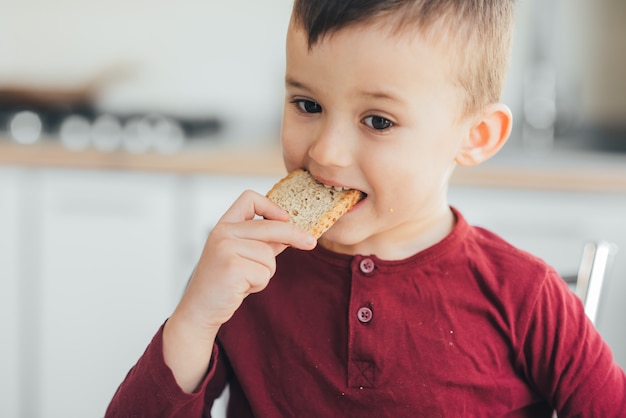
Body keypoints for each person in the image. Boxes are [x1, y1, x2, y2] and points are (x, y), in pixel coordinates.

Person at [106, 0, 626, 416]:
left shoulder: (528, 297)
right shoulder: (251, 281)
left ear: (475, 136)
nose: (326, 152)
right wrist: (196, 316)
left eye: (378, 121)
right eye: (307, 105)